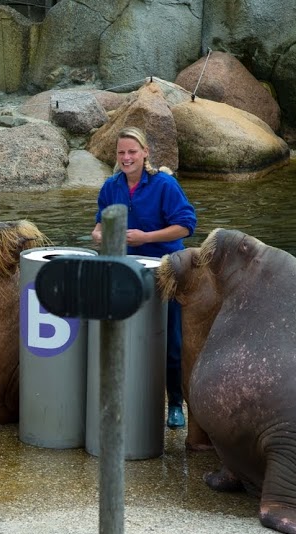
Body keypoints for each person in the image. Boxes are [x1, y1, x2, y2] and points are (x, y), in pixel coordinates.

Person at [92, 127, 197, 429]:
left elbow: (186, 225)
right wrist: (99, 235)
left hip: (165, 271)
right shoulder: (111, 187)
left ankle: (175, 403)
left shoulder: (165, 185)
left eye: (132, 152)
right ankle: (126, 400)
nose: (126, 158)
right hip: (126, 271)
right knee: (123, 338)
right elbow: (99, 224)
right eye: (121, 153)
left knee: (171, 342)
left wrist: (147, 236)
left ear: (145, 153)